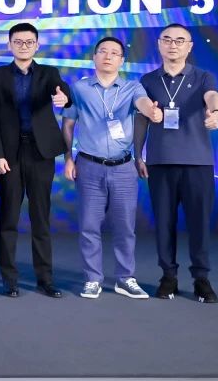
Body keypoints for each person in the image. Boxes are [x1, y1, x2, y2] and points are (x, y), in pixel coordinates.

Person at [62, 35, 161, 300]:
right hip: (89, 166)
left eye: (114, 53)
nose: (108, 56)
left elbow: (142, 104)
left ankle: (125, 278)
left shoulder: (132, 87)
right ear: (94, 57)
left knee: (125, 227)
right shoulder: (79, 88)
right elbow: (68, 124)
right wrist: (68, 158)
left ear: (121, 60)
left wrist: (151, 110)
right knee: (89, 226)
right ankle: (92, 278)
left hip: (123, 167)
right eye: (103, 51)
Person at [134, 23, 218, 304]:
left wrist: (217, 112)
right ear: (159, 44)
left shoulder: (203, 77)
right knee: (164, 222)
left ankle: (201, 279)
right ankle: (168, 276)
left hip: (198, 163)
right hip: (160, 162)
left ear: (189, 46)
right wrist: (138, 155)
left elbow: (212, 96)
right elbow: (141, 118)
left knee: (199, 223)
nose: (173, 45)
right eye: (167, 40)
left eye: (180, 40)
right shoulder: (148, 80)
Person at [0, 22, 71, 298]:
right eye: (18, 42)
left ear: (37, 45)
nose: (24, 46)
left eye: (29, 42)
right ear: (9, 45)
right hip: (9, 155)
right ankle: (9, 279)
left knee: (40, 218)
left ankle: (45, 279)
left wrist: (65, 98)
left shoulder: (48, 73)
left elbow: (64, 94)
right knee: (8, 217)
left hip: (40, 153)